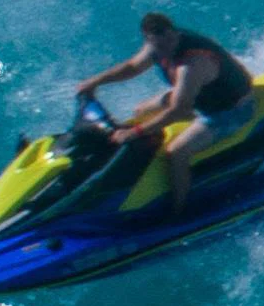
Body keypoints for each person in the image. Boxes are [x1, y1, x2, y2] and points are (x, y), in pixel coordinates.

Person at [68, 12, 253, 208]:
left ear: (174, 33)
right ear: (149, 39)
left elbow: (179, 110)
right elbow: (132, 67)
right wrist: (95, 82)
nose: (165, 50)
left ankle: (180, 208)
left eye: (169, 42)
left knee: (175, 152)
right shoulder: (156, 45)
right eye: (158, 46)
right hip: (199, 98)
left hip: (229, 111)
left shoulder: (192, 64)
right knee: (140, 111)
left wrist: (135, 132)